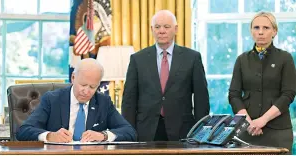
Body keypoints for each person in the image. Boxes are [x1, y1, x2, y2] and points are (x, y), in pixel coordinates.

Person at [122, 10, 209, 141]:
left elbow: (201, 98)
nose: (161, 31)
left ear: (176, 29)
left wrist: (200, 133)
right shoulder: (137, 59)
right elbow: (129, 100)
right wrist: (129, 132)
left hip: (183, 131)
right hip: (146, 131)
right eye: (157, 27)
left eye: (166, 27)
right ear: (152, 29)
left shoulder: (192, 58)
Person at [16, 58, 136, 142]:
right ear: (73, 78)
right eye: (83, 85)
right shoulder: (52, 100)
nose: (87, 91)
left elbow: (129, 132)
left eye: (92, 87)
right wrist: (49, 136)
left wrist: (103, 136)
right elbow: (23, 131)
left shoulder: (103, 102)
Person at [228, 12, 296, 153]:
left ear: (274, 31)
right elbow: (234, 95)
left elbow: (288, 94)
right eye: (256, 27)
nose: (260, 32)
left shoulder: (285, 58)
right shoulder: (242, 60)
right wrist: (248, 122)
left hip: (278, 132)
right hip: (247, 131)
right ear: (251, 31)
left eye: (266, 28)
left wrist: (262, 120)